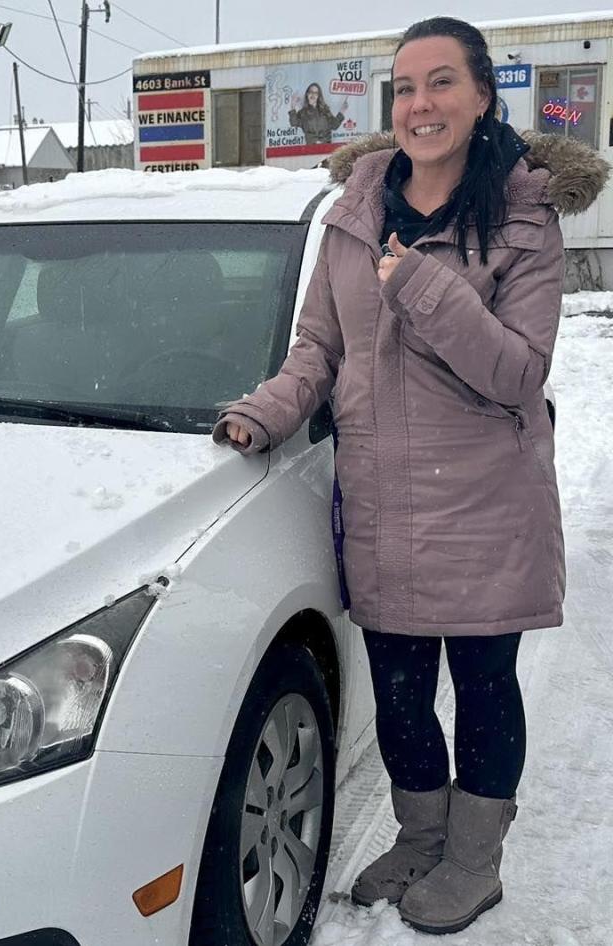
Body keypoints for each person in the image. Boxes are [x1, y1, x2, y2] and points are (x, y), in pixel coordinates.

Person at [213, 16, 607, 936]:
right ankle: (419, 837)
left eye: (440, 84)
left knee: (481, 688)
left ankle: (474, 862)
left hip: (484, 506)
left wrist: (420, 287)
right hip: (385, 502)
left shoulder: (524, 217)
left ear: (480, 96)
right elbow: (319, 344)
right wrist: (269, 409)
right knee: (396, 692)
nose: (419, 105)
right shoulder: (355, 212)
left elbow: (519, 372)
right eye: (403, 88)